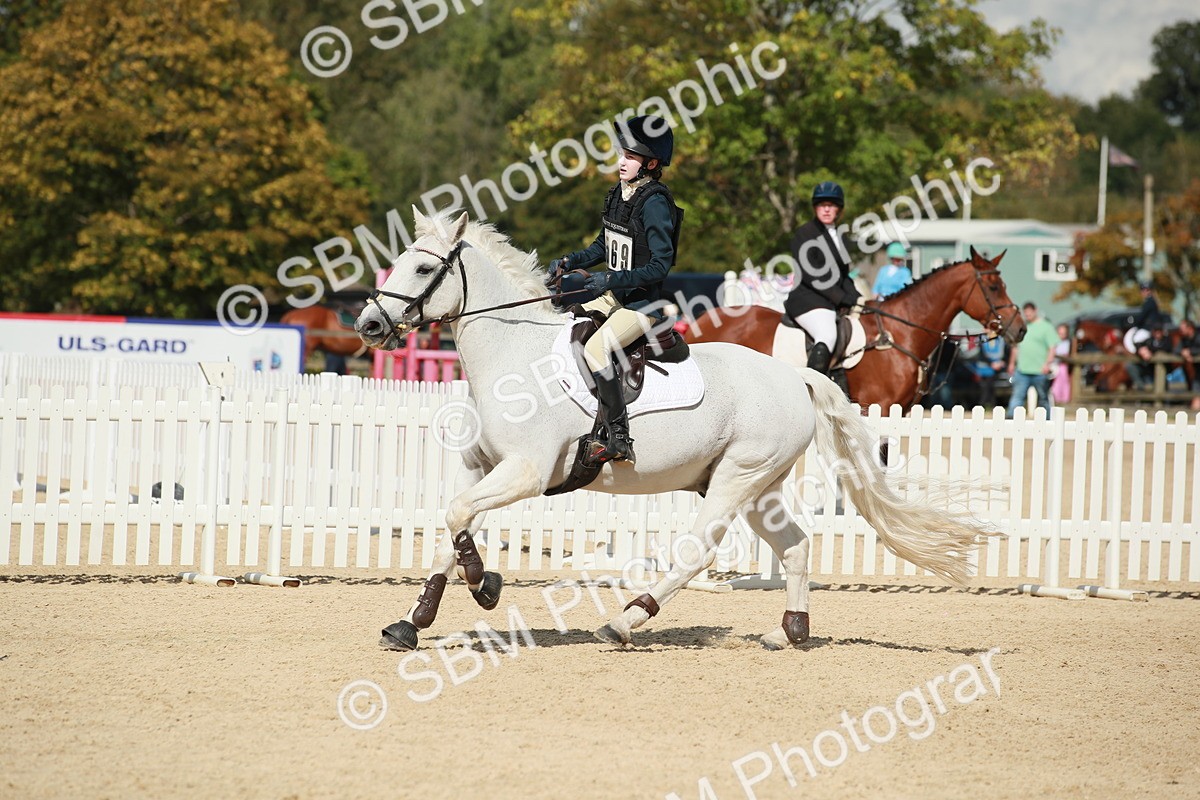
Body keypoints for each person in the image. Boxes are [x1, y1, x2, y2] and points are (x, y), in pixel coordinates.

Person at [546, 115, 682, 466]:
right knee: (565, 323)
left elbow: (660, 266)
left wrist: (610, 280)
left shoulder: (655, 203)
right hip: (615, 297)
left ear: (650, 164)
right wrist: (568, 260)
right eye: (622, 154)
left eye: (630, 157)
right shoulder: (620, 195)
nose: (621, 162)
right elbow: (602, 246)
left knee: (596, 349)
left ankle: (619, 437)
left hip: (642, 305)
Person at [782, 181, 861, 380]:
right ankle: (811, 387)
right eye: (822, 204)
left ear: (839, 209)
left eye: (831, 205)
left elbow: (844, 275)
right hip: (808, 300)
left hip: (829, 300)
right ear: (815, 207)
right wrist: (841, 298)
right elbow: (811, 275)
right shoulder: (804, 234)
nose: (826, 209)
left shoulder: (841, 237)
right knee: (827, 334)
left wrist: (857, 298)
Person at [1005, 302, 1058, 418]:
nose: (1028, 316)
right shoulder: (1022, 327)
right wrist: (1011, 363)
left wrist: (1047, 364)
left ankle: (1047, 421)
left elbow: (1052, 348)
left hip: (1040, 371)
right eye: (1026, 314)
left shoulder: (1046, 327)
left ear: (1035, 311)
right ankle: (1010, 420)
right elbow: (1015, 347)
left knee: (1043, 398)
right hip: (1022, 370)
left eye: (1030, 313)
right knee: (1017, 397)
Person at [1173, 319, 1200, 412]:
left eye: (1182, 328)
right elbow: (1176, 350)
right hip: (1196, 371)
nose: (1180, 330)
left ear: (1190, 328)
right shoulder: (1184, 339)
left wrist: (1190, 352)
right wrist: (1183, 352)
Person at [1050, 323, 1072, 404]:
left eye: (1063, 333)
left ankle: (1064, 399)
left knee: (1064, 382)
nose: (1061, 335)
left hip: (1063, 366)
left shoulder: (1068, 343)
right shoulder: (1053, 343)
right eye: (1059, 333)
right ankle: (1055, 398)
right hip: (1054, 365)